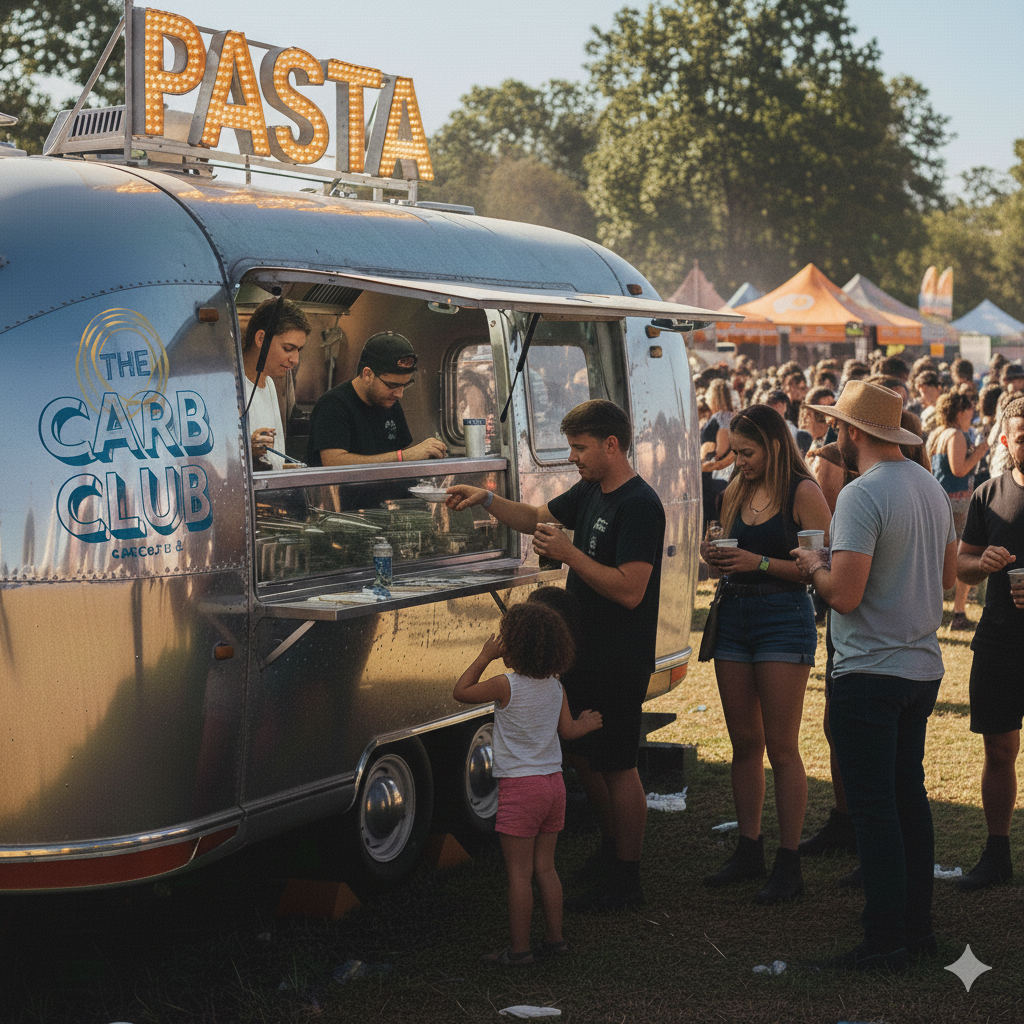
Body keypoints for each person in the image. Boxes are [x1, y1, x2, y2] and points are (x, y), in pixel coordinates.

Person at [446, 399, 665, 910]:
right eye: (571, 447)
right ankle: (611, 854)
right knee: (586, 759)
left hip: (620, 656)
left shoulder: (640, 505)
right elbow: (537, 516)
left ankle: (628, 877)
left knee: (618, 765)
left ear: (612, 444)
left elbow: (631, 590)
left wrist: (570, 555)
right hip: (579, 651)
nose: (573, 457)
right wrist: (486, 499)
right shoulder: (591, 488)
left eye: (580, 447)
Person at [793, 381, 956, 970]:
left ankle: (886, 936)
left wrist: (814, 566)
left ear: (856, 432)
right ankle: (917, 929)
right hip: (920, 667)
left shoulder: (863, 495)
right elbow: (943, 580)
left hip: (871, 669)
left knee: (875, 808)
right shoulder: (931, 488)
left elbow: (846, 594)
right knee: (907, 799)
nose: (834, 431)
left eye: (839, 424)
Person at [700, 405, 831, 903]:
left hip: (782, 616)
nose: (739, 459)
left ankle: (789, 860)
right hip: (734, 616)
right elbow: (722, 558)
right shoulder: (735, 488)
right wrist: (714, 556)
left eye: (747, 451)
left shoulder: (804, 491)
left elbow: (822, 565)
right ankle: (749, 847)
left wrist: (755, 560)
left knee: (781, 746)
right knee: (744, 742)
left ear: (774, 447)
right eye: (736, 450)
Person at [453, 602, 602, 965]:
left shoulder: (506, 685)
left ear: (512, 647)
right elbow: (567, 731)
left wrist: (485, 655)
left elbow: (461, 691)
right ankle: (556, 940)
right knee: (546, 868)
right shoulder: (555, 687)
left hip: (521, 789)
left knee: (518, 875)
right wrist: (586, 722)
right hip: (554, 786)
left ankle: (519, 952)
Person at [953, 396, 1024, 891]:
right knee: (998, 749)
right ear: (1005, 440)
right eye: (1022, 435)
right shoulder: (988, 494)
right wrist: (984, 565)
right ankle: (997, 854)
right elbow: (961, 564)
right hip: (999, 639)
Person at [305, 331, 447, 466]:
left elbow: (404, 451)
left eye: (405, 385)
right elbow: (333, 462)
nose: (399, 394)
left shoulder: (390, 402)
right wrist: (402, 457)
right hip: (348, 492)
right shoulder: (334, 405)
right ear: (368, 374)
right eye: (392, 385)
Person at [926, 391, 988, 631]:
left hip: (939, 501)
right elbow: (959, 469)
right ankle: (959, 613)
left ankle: (933, 609)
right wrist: (979, 452)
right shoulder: (956, 435)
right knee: (963, 557)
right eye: (969, 409)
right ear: (959, 411)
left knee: (936, 558)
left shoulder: (937, 433)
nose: (972, 413)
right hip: (957, 504)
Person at [242, 298, 310, 469]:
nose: (295, 360)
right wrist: (246, 450)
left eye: (298, 350)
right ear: (261, 339)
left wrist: (288, 469)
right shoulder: (230, 385)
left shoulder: (270, 384)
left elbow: (272, 461)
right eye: (288, 348)